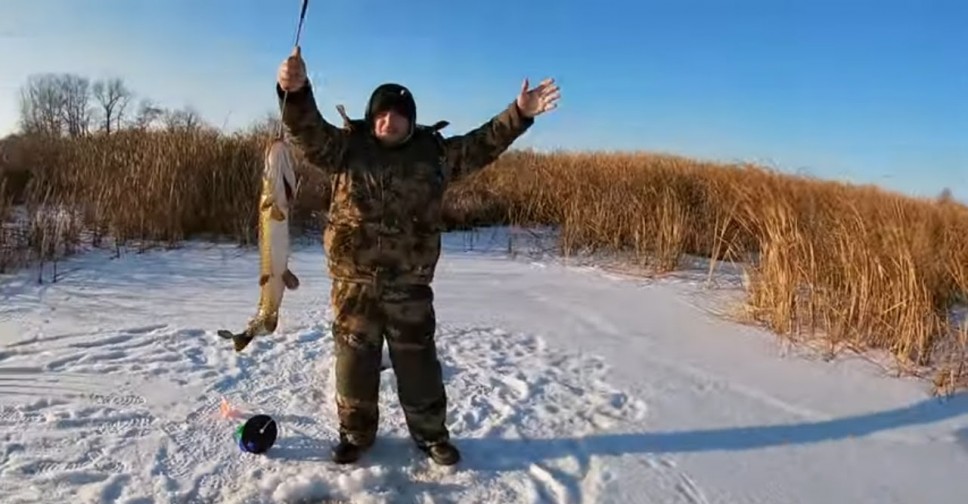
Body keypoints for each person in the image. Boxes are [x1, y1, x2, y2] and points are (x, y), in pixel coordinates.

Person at [275, 45, 561, 466]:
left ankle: (430, 435)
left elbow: (484, 143)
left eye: (397, 113)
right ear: (372, 118)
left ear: (411, 119)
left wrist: (519, 113)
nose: (388, 120)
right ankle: (355, 434)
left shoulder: (436, 154)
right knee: (354, 359)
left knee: (419, 363)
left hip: (409, 283)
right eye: (380, 114)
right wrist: (295, 92)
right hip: (353, 283)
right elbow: (306, 130)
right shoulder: (344, 149)